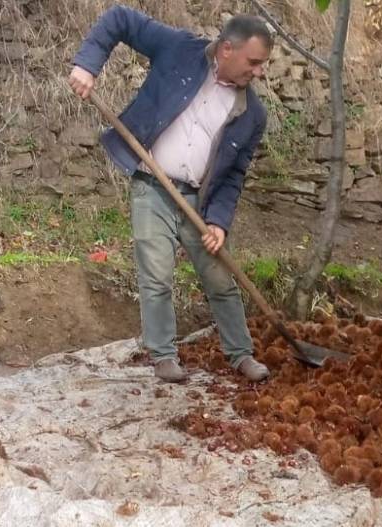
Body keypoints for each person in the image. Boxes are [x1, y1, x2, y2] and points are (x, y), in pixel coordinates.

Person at [68, 6, 273, 382]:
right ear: (227, 49)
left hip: (200, 201)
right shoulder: (179, 49)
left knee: (220, 279)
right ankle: (163, 357)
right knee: (157, 275)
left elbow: (233, 177)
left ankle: (241, 354)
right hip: (152, 186)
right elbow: (119, 19)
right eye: (254, 61)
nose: (258, 71)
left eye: (262, 65)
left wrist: (219, 223)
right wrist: (87, 65)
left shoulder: (252, 114)